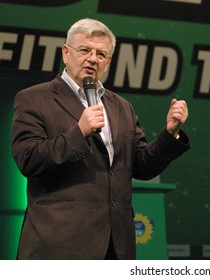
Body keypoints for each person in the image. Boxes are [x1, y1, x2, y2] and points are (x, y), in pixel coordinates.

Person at [11, 18, 191, 260]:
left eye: (101, 54)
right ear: (66, 53)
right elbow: (29, 159)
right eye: (85, 50)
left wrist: (169, 134)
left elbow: (141, 165)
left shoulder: (121, 107)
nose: (93, 58)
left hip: (115, 247)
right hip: (58, 245)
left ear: (107, 62)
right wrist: (80, 131)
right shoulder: (34, 98)